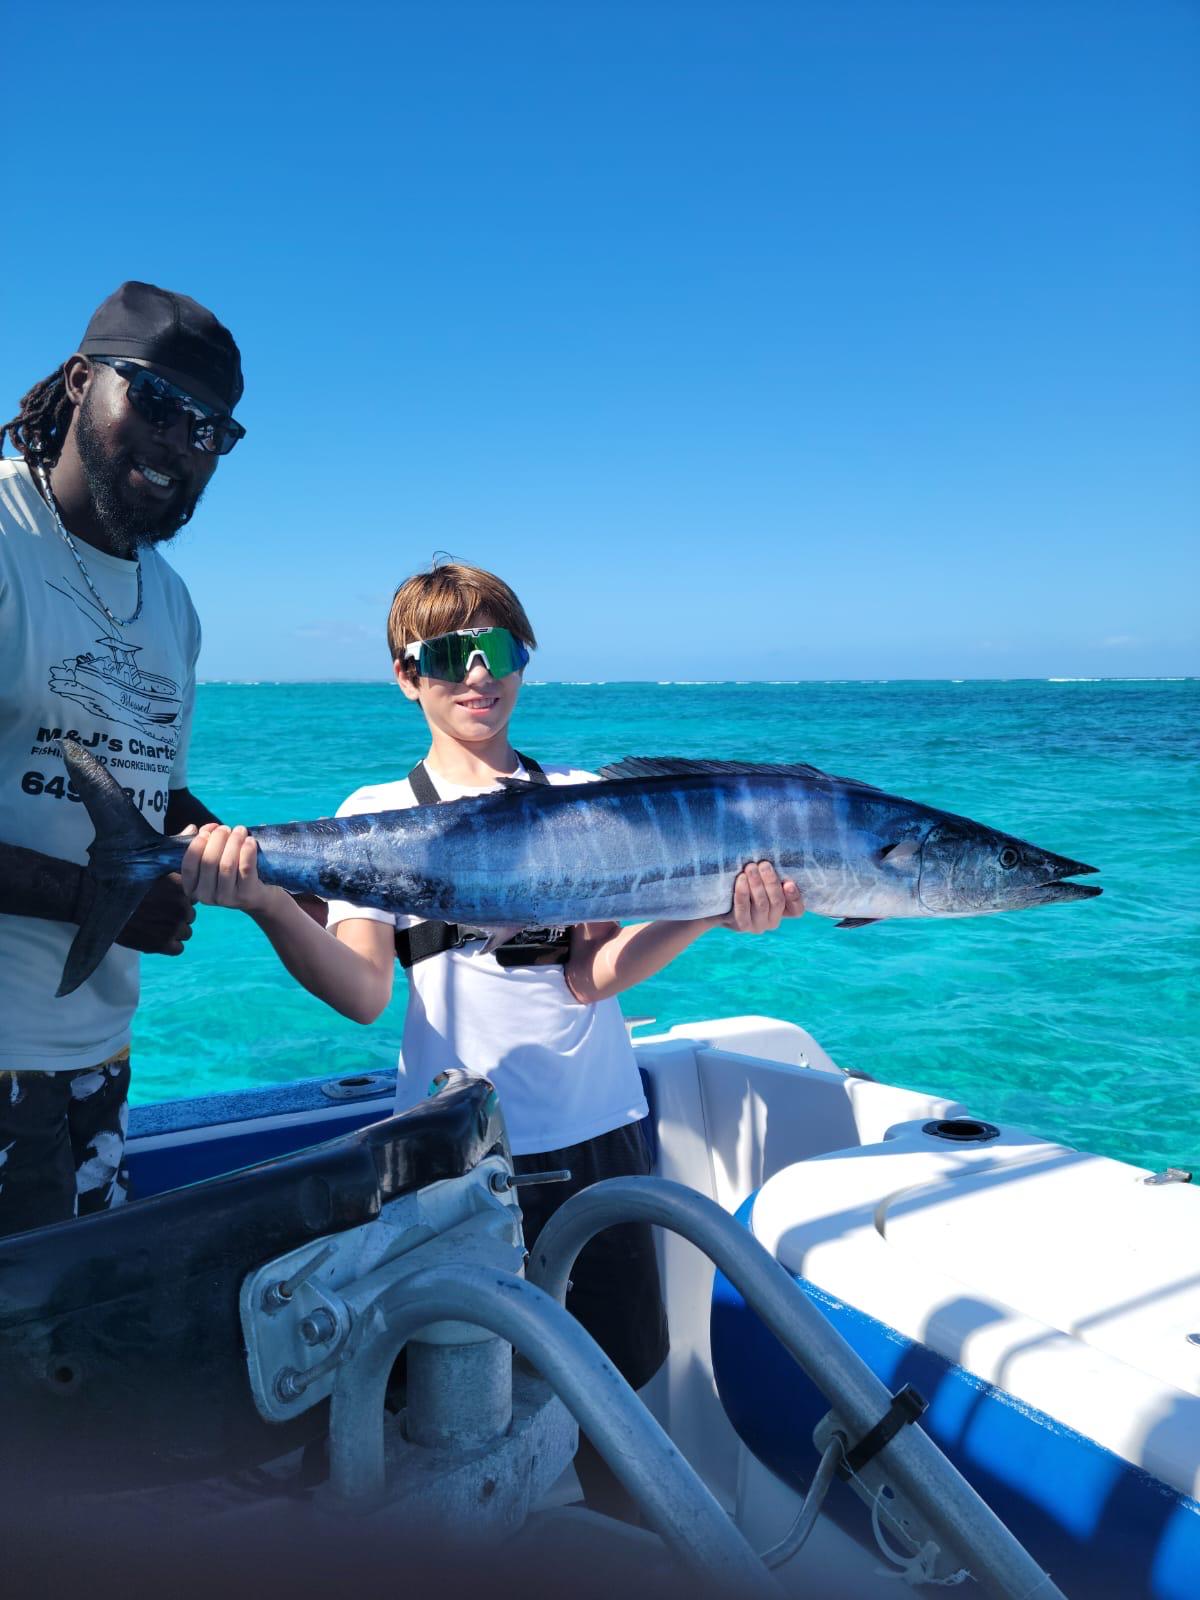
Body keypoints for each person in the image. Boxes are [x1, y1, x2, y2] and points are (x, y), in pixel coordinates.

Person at [180, 560, 803, 1511]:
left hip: (601, 1140)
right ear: (406, 674)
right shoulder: (374, 819)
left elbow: (592, 978)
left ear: (524, 661)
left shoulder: (585, 802)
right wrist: (268, 903)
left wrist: (712, 911)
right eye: (446, 655)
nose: (477, 674)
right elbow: (361, 991)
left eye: (498, 649)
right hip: (455, 1162)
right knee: (443, 1407)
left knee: (619, 1402)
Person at [0, 281, 245, 1238]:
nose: (177, 445)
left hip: (99, 1056)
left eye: (209, 433)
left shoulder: (173, 603)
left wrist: (271, 872)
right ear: (79, 382)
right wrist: (91, 895)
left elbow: (149, 782)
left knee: (61, 1363)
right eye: (153, 402)